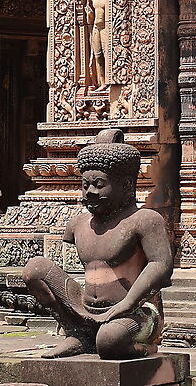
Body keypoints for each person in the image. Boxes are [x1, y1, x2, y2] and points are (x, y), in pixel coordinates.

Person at [23, 137, 173, 359]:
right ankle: (78, 334)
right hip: (85, 308)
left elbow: (161, 265)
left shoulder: (144, 220)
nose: (90, 192)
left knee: (108, 342)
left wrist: (129, 302)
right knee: (35, 269)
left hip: (135, 313)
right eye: (85, 185)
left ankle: (145, 349)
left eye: (99, 185)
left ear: (126, 186)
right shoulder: (78, 224)